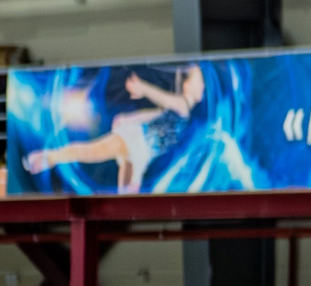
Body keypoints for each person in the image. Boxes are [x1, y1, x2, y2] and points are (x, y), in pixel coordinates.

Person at [22, 66, 203, 195]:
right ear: (187, 86)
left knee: (127, 191)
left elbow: (156, 114)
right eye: (199, 81)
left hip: (145, 152)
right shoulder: (183, 105)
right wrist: (143, 89)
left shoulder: (183, 112)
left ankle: (48, 158)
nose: (202, 86)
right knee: (92, 151)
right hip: (137, 139)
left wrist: (128, 118)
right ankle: (48, 158)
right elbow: (163, 100)